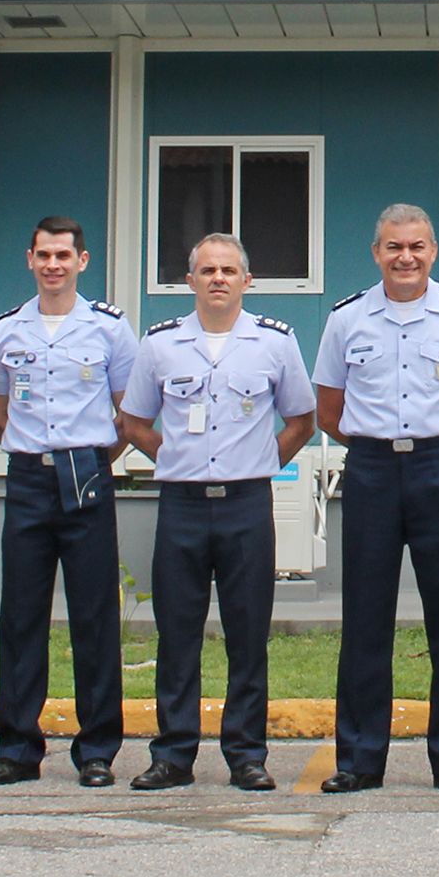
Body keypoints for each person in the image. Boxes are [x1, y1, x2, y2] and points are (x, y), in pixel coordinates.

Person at [314, 206, 439, 793]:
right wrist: (384, 446)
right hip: (370, 470)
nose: (406, 257)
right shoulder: (347, 319)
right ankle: (359, 759)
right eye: (394, 247)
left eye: (417, 247)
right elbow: (329, 410)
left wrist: (432, 444)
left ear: (434, 251)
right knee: (365, 617)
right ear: (376, 253)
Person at [117, 235, 315, 792]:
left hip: (247, 504)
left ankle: (247, 754)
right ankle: (173, 755)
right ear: (191, 281)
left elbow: (302, 420)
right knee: (176, 634)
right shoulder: (160, 345)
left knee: (246, 635)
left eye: (229, 270)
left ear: (247, 281)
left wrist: (258, 461)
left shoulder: (274, 343)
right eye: (207, 270)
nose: (218, 279)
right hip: (181, 505)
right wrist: (176, 458)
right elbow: (133, 422)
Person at [0, 216, 137, 788]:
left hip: (86, 473)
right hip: (26, 479)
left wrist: (95, 462)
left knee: (93, 617)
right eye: (44, 255)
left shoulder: (110, 330)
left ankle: (97, 749)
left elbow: (129, 412)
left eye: (63, 255)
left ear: (82, 261)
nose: (53, 265)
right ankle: (17, 748)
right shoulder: (5, 331)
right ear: (30, 259)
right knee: (20, 616)